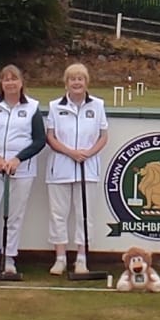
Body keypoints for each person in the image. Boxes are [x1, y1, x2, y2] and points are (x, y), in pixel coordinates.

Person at [0, 64, 46, 277]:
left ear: (21, 82)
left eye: (14, 79)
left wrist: (18, 159)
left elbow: (40, 140)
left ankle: (9, 258)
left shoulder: (32, 107)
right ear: (1, 83)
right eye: (6, 79)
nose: (10, 83)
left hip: (21, 170)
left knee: (14, 215)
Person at [44, 62, 109, 276]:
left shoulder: (97, 105)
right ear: (66, 82)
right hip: (60, 167)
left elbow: (103, 136)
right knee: (58, 214)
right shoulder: (55, 106)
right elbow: (50, 137)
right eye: (72, 79)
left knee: (84, 215)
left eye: (80, 78)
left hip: (87, 167)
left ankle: (82, 258)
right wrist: (70, 152)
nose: (76, 82)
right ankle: (60, 258)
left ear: (86, 81)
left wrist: (88, 153)